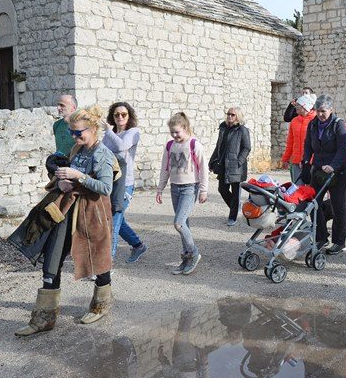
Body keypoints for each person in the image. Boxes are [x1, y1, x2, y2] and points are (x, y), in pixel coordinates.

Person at [13, 105, 116, 336]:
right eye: (72, 132)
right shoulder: (76, 150)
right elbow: (65, 174)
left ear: (93, 130)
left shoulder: (103, 154)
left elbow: (105, 188)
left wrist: (79, 176)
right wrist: (60, 182)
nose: (74, 136)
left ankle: (102, 302)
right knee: (53, 258)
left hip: (92, 213)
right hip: (66, 210)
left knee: (96, 258)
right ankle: (45, 317)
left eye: (79, 132)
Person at [157, 112, 209, 275]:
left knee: (178, 224)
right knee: (184, 224)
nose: (174, 135)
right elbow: (165, 169)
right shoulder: (169, 146)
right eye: (172, 132)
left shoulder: (195, 145)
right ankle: (186, 258)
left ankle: (194, 253)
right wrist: (160, 189)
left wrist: (203, 190)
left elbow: (203, 170)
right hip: (175, 188)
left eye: (177, 132)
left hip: (189, 188)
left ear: (185, 128)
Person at [301, 95, 346, 255]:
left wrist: (333, 166)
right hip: (319, 169)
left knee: (338, 207)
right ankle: (321, 237)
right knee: (313, 203)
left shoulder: (339, 125)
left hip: (339, 171)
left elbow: (342, 150)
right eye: (318, 111)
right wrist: (306, 161)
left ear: (331, 110)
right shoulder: (312, 124)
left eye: (323, 111)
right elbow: (308, 145)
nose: (320, 114)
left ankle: (339, 242)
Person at [103, 102, 147, 263]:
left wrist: (108, 131)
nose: (120, 117)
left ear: (129, 116)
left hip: (125, 183)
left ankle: (106, 265)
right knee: (116, 218)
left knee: (113, 222)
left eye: (123, 114)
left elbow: (122, 146)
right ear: (112, 117)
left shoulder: (134, 132)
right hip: (109, 181)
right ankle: (138, 245)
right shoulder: (110, 133)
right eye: (116, 115)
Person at [209, 107, 251, 226]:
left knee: (235, 191)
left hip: (236, 166)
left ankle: (232, 217)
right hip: (223, 164)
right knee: (222, 189)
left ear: (237, 116)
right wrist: (212, 161)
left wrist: (239, 161)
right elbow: (218, 146)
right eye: (228, 114)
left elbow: (247, 147)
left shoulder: (242, 130)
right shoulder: (223, 128)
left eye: (232, 114)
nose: (229, 116)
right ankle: (235, 207)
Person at [281, 94, 317, 183]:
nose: (295, 107)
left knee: (310, 190)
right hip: (296, 160)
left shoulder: (315, 120)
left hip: (311, 162)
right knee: (297, 188)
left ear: (305, 106)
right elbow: (290, 141)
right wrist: (285, 159)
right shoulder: (294, 121)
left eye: (298, 105)